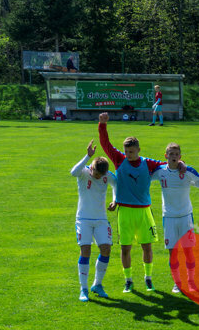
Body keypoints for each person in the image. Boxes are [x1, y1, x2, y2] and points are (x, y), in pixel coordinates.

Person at [98, 113, 171, 293]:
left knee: (147, 247)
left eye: (131, 152)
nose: (128, 155)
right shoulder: (119, 160)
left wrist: (181, 163)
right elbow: (106, 145)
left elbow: (167, 164)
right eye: (126, 152)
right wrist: (102, 124)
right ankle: (128, 280)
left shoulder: (148, 163)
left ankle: (148, 278)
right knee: (125, 248)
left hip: (144, 211)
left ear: (138, 149)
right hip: (125, 212)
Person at [152, 142, 199, 294]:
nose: (173, 157)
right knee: (173, 253)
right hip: (169, 218)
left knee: (188, 251)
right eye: (171, 154)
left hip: (185, 217)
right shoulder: (160, 171)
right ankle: (177, 283)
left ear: (180, 156)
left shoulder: (188, 171)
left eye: (176, 154)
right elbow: (144, 177)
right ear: (166, 156)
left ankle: (191, 281)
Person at [71, 140, 116, 301]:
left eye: (101, 175)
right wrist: (88, 156)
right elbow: (73, 172)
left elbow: (116, 184)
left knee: (106, 249)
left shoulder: (106, 175)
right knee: (86, 251)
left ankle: (97, 284)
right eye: (96, 174)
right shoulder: (83, 172)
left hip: (101, 219)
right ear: (91, 168)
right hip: (83, 219)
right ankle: (83, 289)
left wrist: (115, 200)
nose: (98, 177)